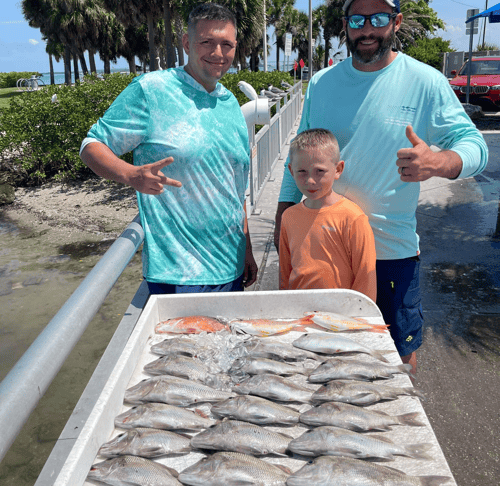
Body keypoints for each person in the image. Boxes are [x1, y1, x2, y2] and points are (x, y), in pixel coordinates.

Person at [274, 0, 489, 373]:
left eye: (378, 18)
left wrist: (439, 163)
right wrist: (283, 217)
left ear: (397, 21)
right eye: (357, 19)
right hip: (323, 252)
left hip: (391, 254)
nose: (367, 29)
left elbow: (475, 146)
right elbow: (300, 155)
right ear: (346, 24)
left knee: (396, 360)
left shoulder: (424, 81)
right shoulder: (322, 83)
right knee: (321, 360)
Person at [80, 3, 258, 294]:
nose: (217, 53)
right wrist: (130, 174)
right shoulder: (152, 90)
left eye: (226, 44)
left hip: (232, 266)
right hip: (179, 273)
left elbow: (236, 191)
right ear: (187, 43)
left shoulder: (230, 105)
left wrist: (246, 249)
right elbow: (92, 145)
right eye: (207, 42)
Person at [279, 128, 377, 303]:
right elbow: (284, 273)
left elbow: (365, 278)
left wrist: (359, 318)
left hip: (341, 313)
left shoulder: (353, 217)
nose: (310, 180)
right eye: (302, 172)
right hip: (299, 311)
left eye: (319, 171)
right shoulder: (288, 217)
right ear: (291, 171)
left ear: (338, 169)